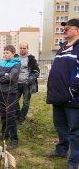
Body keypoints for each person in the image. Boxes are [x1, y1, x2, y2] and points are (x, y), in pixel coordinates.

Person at [45, 19, 79, 169]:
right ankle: (61, 150)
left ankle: (74, 162)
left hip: (72, 98)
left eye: (67, 29)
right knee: (60, 126)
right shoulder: (63, 47)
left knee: (75, 131)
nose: (64, 31)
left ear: (77, 31)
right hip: (58, 96)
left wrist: (72, 91)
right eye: (63, 28)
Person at [0, 45, 21, 149]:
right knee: (3, 114)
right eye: (4, 53)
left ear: (13, 53)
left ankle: (14, 138)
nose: (5, 54)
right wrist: (4, 73)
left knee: (10, 115)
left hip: (10, 93)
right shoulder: (2, 63)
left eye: (7, 53)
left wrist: (0, 78)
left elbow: (11, 77)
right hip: (0, 91)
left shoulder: (16, 64)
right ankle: (5, 134)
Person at [15, 42, 40, 125]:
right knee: (14, 100)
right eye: (21, 48)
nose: (22, 50)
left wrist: (29, 81)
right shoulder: (15, 57)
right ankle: (17, 114)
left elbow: (36, 71)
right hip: (16, 83)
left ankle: (22, 117)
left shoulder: (31, 58)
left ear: (27, 48)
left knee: (26, 103)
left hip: (26, 84)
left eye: (24, 48)